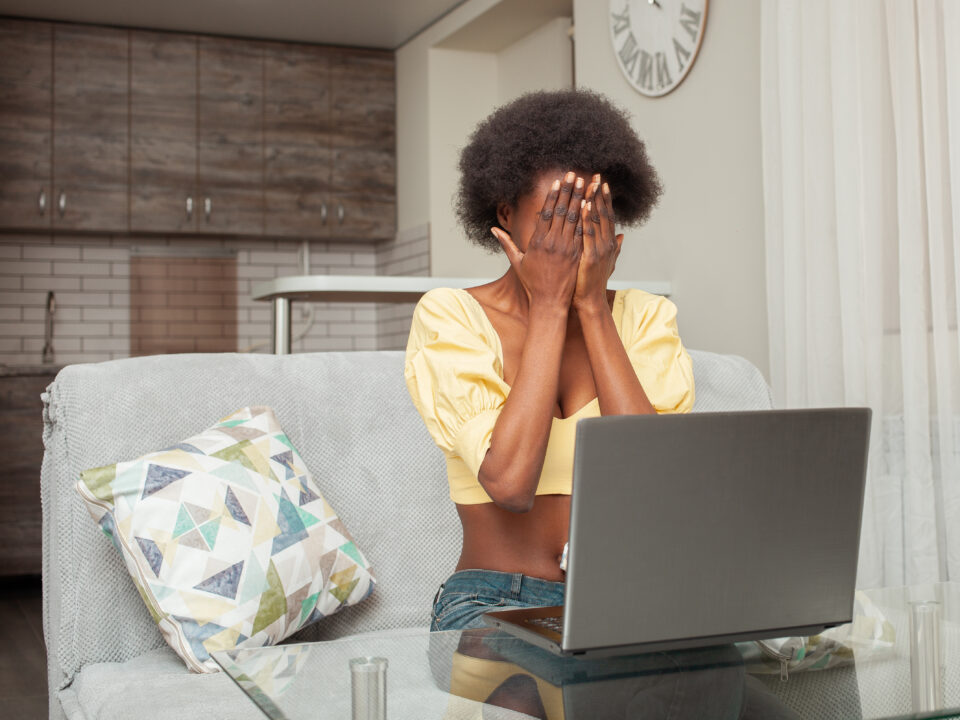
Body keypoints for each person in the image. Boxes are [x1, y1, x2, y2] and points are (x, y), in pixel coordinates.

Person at [404, 89, 695, 632]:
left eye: (588, 221)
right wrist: (550, 308)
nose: (571, 244)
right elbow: (511, 483)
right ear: (505, 214)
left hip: (623, 600)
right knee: (522, 705)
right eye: (555, 222)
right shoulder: (452, 317)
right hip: (493, 600)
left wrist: (590, 307)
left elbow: (653, 486)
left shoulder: (645, 319)